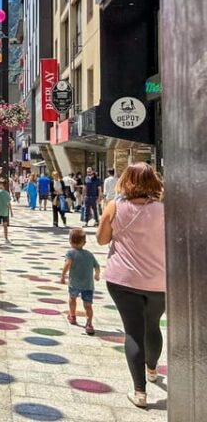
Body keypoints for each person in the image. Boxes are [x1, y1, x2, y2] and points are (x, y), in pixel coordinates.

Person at [96, 163, 166, 409]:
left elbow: (102, 239)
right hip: (159, 280)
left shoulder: (115, 206)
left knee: (133, 331)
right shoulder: (165, 210)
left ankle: (139, 392)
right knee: (153, 325)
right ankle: (152, 370)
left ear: (125, 180)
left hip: (123, 280)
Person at [60, 227, 100, 335]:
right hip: (88, 285)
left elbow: (67, 264)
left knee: (72, 299)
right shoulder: (90, 254)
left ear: (70, 241)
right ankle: (89, 324)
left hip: (74, 283)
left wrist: (63, 276)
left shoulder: (70, 253)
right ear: (84, 242)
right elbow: (97, 266)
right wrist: (97, 275)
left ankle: (72, 316)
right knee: (88, 305)